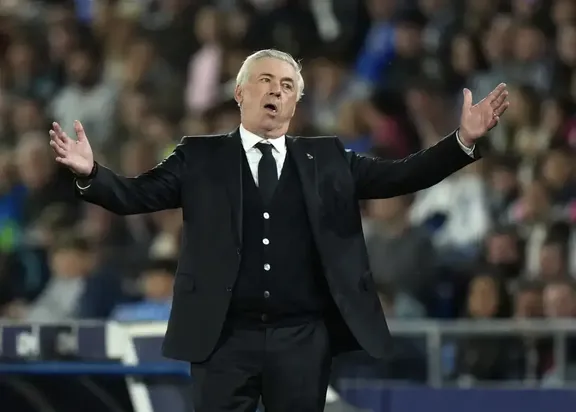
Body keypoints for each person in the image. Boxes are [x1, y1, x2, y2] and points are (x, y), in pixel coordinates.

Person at [49, 49, 509, 412]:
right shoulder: (200, 157)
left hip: (301, 338)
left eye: (287, 85)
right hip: (222, 337)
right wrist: (92, 173)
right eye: (265, 80)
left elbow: (401, 176)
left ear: (295, 102)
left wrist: (461, 142)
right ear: (239, 93)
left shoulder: (328, 160)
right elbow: (136, 195)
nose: (276, 90)